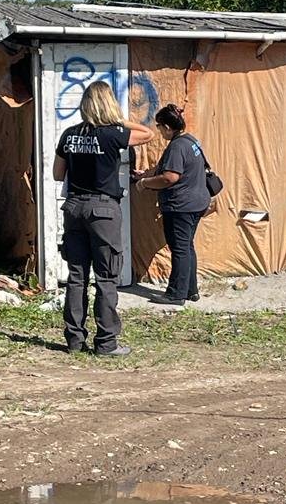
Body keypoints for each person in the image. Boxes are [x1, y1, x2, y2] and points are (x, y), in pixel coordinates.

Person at [53, 81, 153, 355]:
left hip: (74, 208)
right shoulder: (113, 134)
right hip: (104, 210)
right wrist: (119, 120)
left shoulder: (69, 134)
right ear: (109, 104)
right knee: (106, 276)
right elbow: (148, 133)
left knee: (77, 276)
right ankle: (106, 343)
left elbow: (56, 174)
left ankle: (74, 341)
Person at [135, 103, 211, 307]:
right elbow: (169, 168)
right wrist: (146, 173)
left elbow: (169, 177)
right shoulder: (190, 141)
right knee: (187, 247)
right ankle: (190, 290)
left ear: (167, 127)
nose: (158, 131)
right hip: (197, 202)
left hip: (181, 206)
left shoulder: (177, 146)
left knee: (179, 249)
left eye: (159, 126)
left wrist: (145, 183)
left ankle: (175, 293)